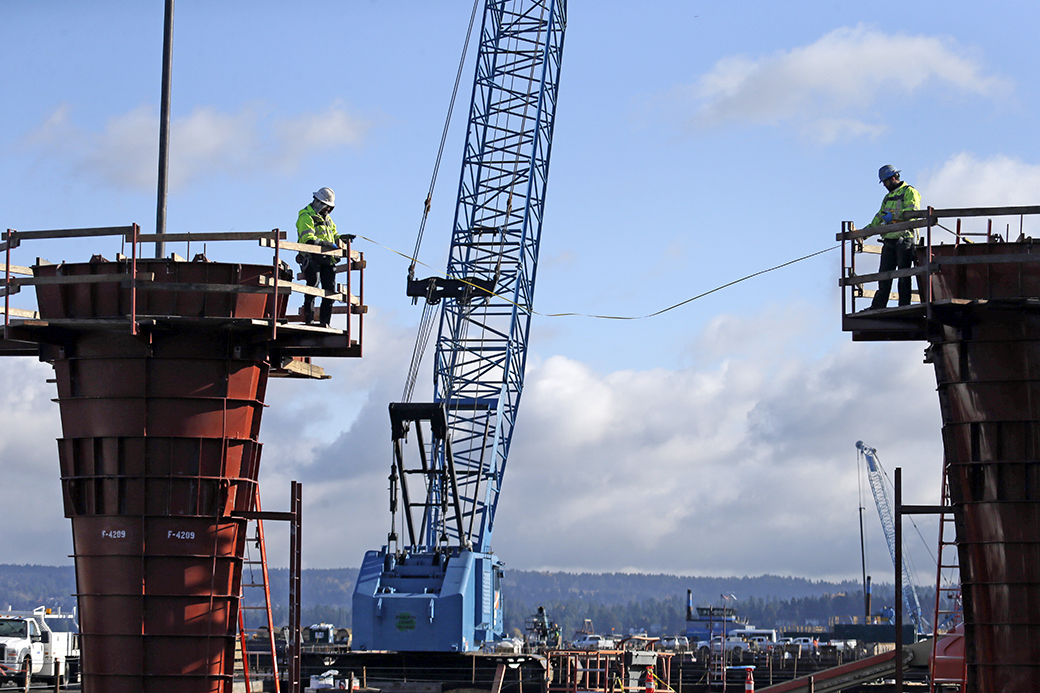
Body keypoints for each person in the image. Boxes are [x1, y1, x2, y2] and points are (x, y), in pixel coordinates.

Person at [862, 165, 921, 309]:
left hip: (905, 239)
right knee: (884, 275)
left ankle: (904, 306)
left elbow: (913, 212)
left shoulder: (910, 192)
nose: (884, 186)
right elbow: (879, 217)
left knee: (903, 274)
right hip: (889, 241)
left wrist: (893, 216)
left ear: (893, 178)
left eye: (885, 182)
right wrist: (864, 234)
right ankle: (878, 305)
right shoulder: (887, 198)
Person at [296, 187, 340, 326]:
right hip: (312, 257)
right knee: (312, 287)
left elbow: (334, 235)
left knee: (330, 291)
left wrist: (342, 239)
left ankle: (325, 323)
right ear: (320, 203)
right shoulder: (306, 217)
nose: (327, 210)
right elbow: (308, 239)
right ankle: (309, 321)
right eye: (326, 207)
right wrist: (329, 245)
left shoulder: (328, 220)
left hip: (327, 259)